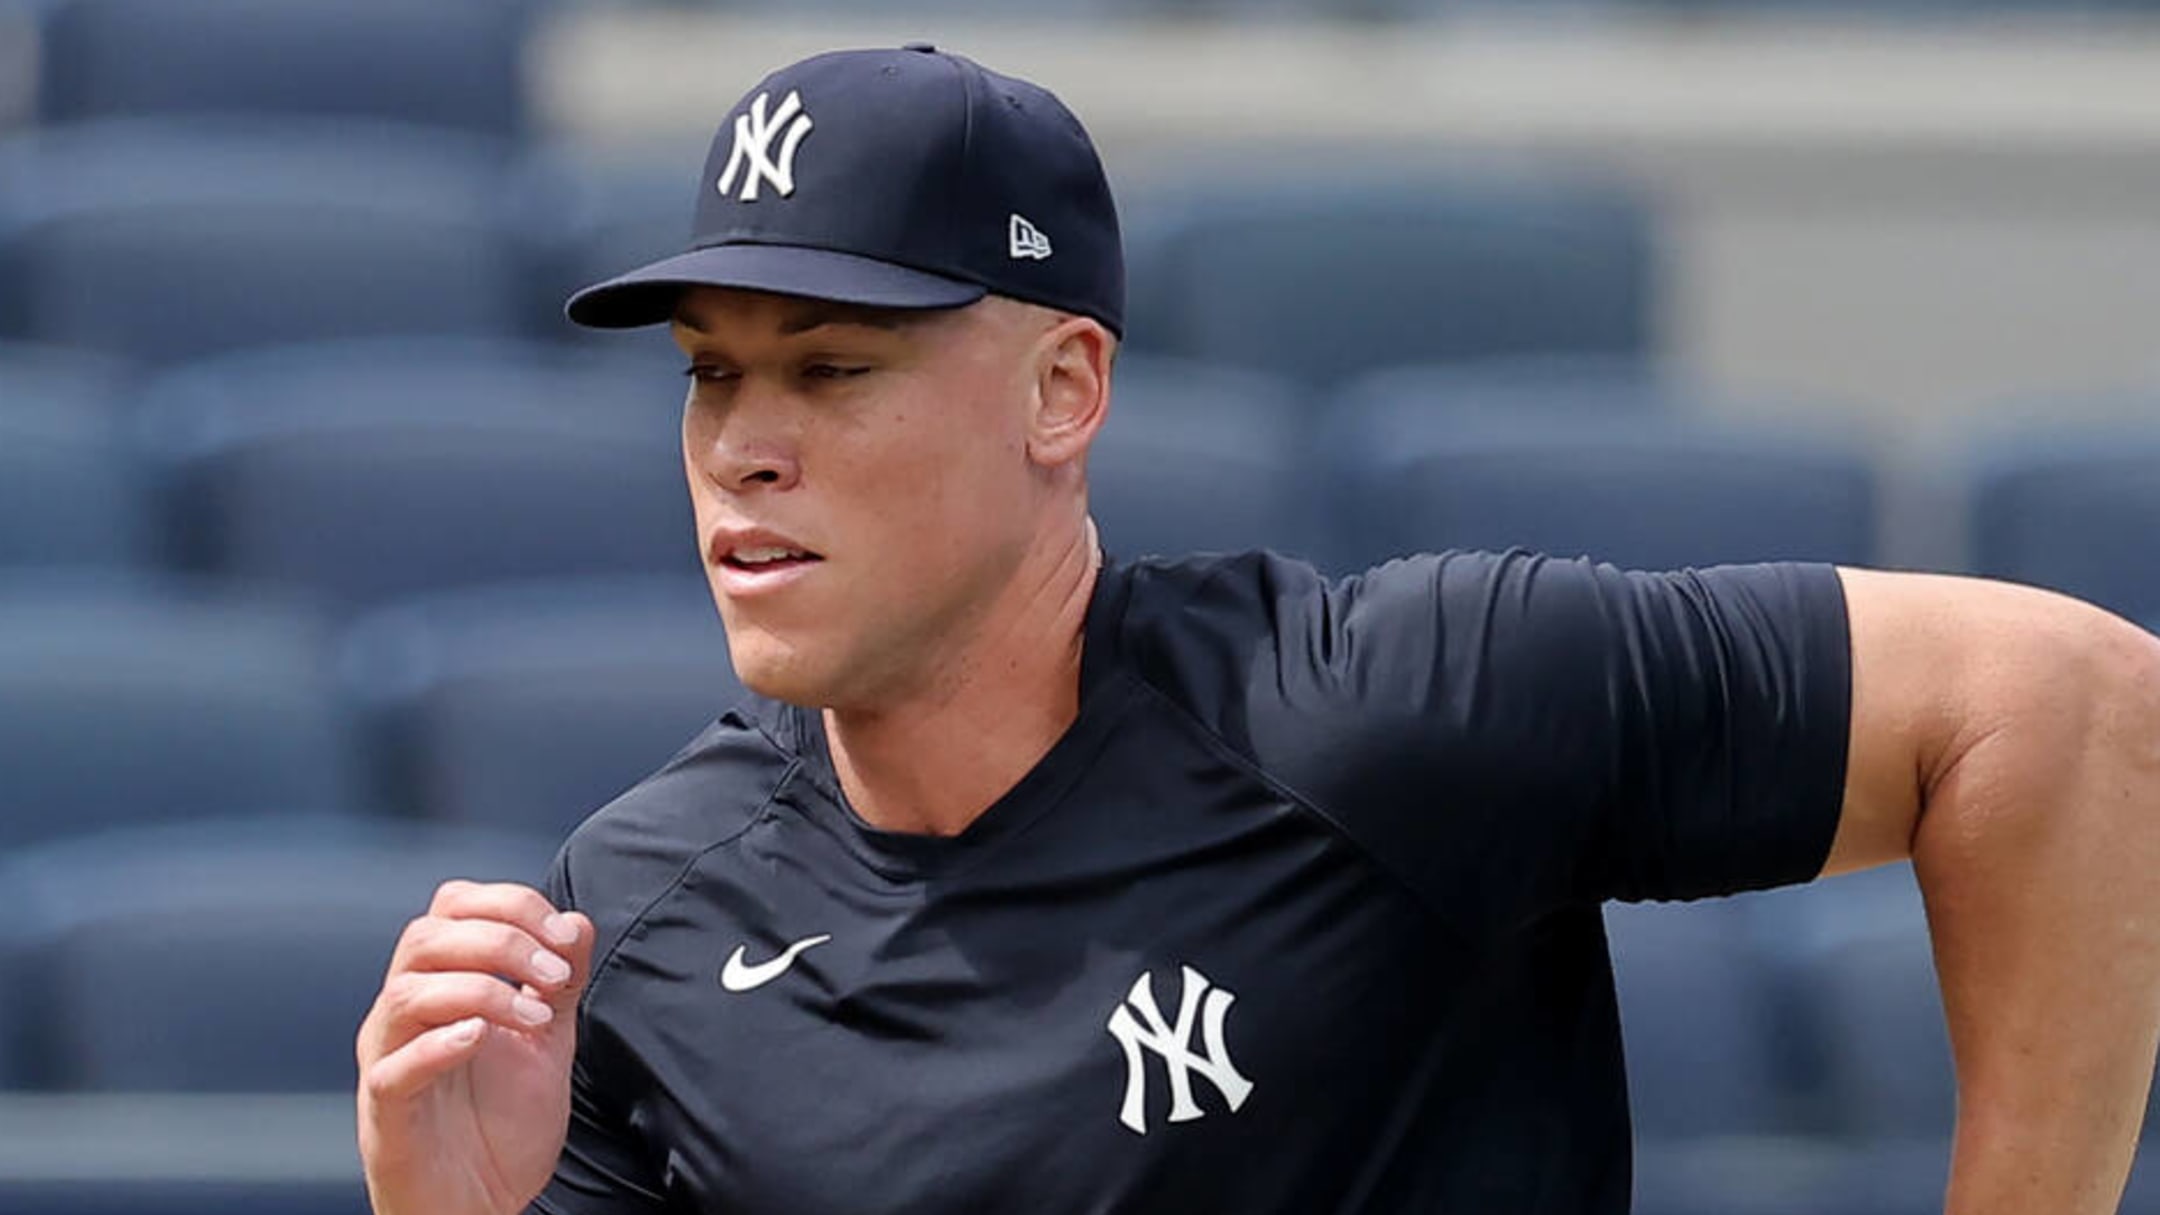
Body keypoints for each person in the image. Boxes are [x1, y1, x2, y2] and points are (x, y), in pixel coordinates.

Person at [355, 44, 2160, 1215]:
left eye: (833, 368)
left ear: (1064, 391)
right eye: (710, 376)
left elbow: (2067, 702)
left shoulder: (1380, 715)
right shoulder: (641, 907)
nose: (745, 444)